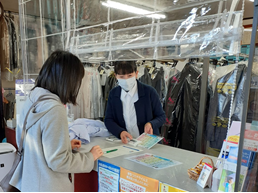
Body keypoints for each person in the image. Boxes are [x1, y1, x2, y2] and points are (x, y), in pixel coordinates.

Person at [10, 51, 103, 192]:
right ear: (69, 80)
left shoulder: (33, 98)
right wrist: (90, 157)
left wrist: (64, 145)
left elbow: (28, 142)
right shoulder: (55, 109)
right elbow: (59, 162)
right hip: (49, 186)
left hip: (31, 182)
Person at [104, 61, 166, 144]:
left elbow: (161, 116)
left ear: (136, 74)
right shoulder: (113, 94)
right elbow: (108, 119)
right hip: (126, 143)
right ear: (116, 76)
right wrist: (120, 132)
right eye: (122, 77)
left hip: (148, 143)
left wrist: (151, 124)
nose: (126, 80)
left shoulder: (149, 92)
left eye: (129, 76)